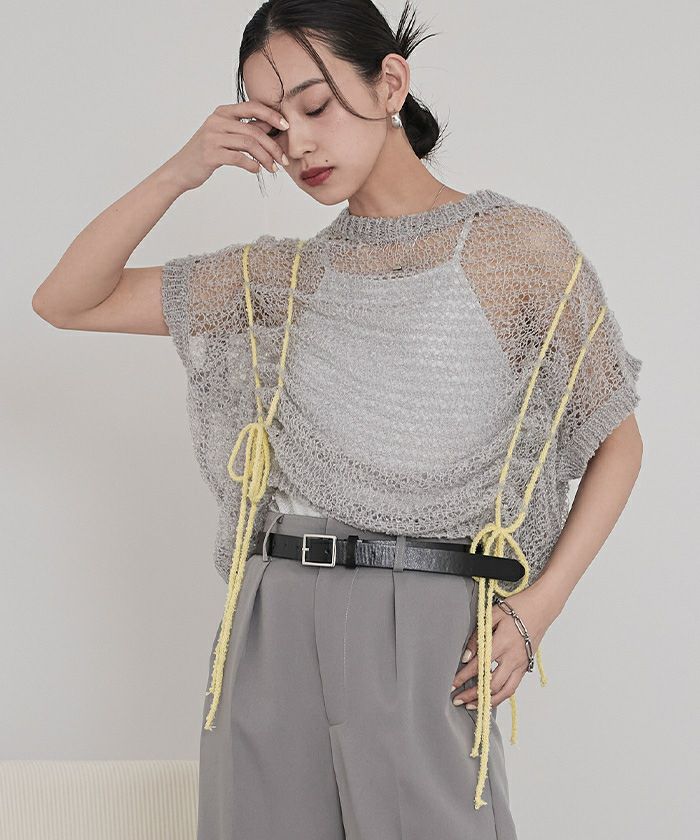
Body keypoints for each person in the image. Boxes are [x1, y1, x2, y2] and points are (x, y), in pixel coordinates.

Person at [31, 1, 644, 838]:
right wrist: (183, 169)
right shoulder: (284, 278)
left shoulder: (517, 248)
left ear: (390, 82)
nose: (300, 146)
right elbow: (68, 300)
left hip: (427, 615)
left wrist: (538, 611)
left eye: (315, 107)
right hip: (272, 613)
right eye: (274, 126)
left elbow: (617, 441)